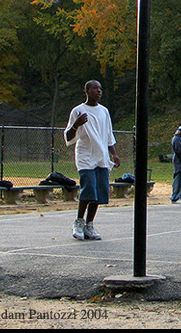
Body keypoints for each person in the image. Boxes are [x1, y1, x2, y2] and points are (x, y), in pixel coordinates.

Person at [64, 80, 120, 241]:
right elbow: (68, 137)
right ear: (87, 91)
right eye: (95, 88)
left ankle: (90, 224)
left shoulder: (104, 111)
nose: (98, 91)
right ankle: (79, 222)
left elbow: (109, 135)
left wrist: (114, 154)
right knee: (88, 189)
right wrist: (76, 125)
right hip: (86, 156)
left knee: (99, 193)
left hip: (101, 156)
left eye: (100, 89)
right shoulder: (78, 111)